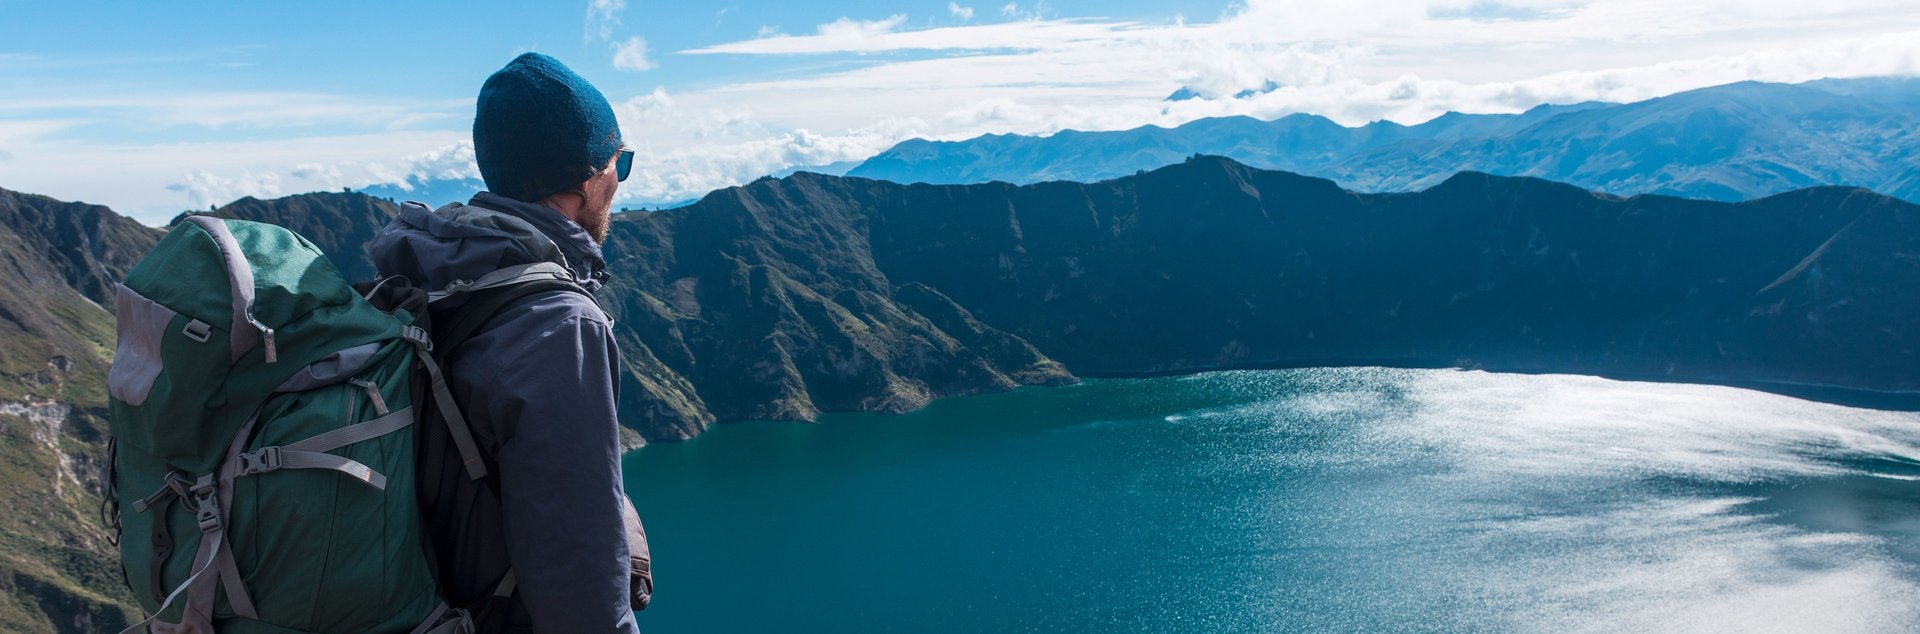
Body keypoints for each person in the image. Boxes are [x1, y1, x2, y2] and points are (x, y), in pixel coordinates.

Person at [369, 52, 644, 634]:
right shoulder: (560, 326)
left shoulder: (425, 268)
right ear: (586, 178)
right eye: (620, 163)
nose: (619, 182)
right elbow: (582, 589)